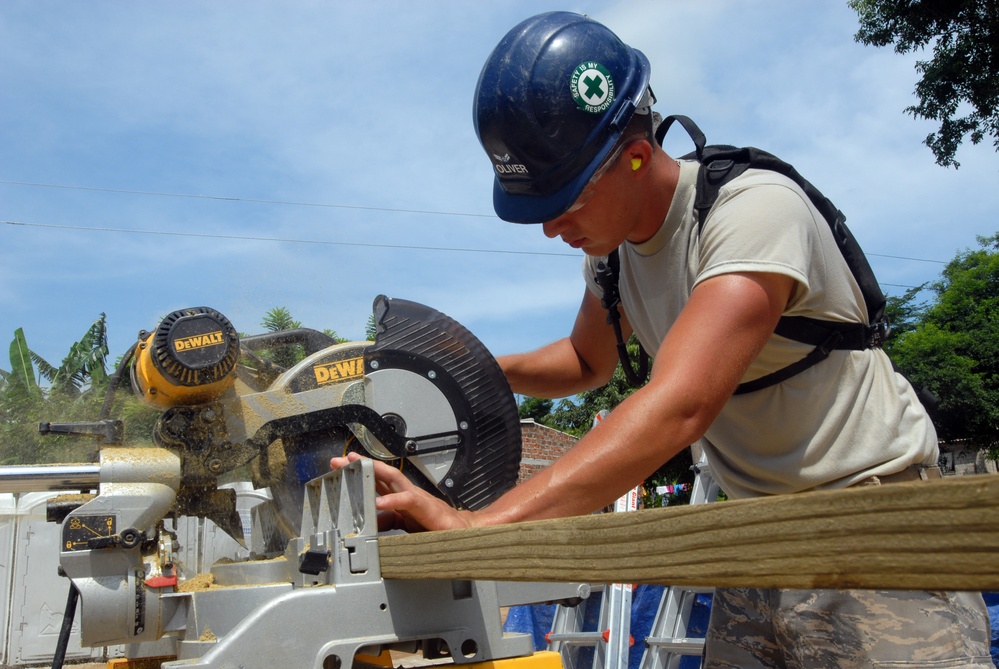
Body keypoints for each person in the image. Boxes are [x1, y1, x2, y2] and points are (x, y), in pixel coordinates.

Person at [332, 11, 992, 668]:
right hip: (758, 529)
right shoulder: (610, 257)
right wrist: (465, 369)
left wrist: (480, 526)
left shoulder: (751, 211)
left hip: (874, 520)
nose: (548, 226)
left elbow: (679, 403)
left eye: (565, 199)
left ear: (636, 154)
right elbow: (585, 359)